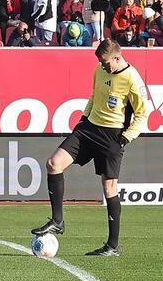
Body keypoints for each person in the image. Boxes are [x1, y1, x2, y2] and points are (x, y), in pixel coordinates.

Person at [31, 38, 150, 257]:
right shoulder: (99, 69)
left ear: (117, 57)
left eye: (107, 63)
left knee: (109, 189)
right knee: (53, 163)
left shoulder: (132, 79)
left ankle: (112, 246)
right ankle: (57, 221)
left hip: (112, 136)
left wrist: (125, 139)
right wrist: (84, 117)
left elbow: (143, 114)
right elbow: (94, 95)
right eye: (101, 63)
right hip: (88, 128)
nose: (104, 66)